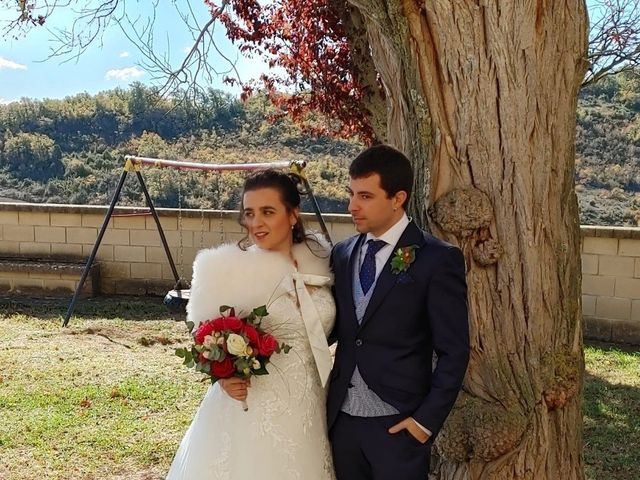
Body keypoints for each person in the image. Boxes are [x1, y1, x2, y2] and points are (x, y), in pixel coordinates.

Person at [167, 170, 336, 479]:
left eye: (267, 212)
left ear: (293, 214)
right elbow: (205, 339)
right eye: (249, 213)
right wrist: (222, 376)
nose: (256, 223)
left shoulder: (320, 258)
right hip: (251, 405)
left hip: (310, 402)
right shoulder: (228, 270)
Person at [327, 144, 470, 479]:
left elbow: (455, 351)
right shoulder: (342, 254)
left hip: (399, 426)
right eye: (351, 194)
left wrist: (424, 423)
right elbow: (336, 328)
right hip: (341, 423)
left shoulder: (437, 259)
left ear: (397, 198)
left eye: (365, 196)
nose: (352, 206)